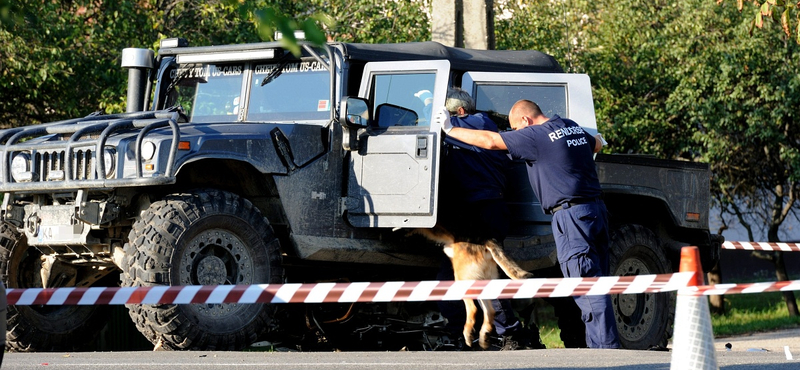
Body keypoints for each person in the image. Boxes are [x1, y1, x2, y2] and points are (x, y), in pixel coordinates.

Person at [436, 99, 621, 349]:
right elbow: (597, 143)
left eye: (515, 130)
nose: (515, 136)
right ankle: (604, 347)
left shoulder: (535, 134)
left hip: (571, 217)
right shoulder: (571, 126)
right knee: (598, 284)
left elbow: (490, 141)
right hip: (596, 210)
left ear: (526, 120)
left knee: (585, 286)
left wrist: (450, 129)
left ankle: (607, 354)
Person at [436, 88, 542, 350]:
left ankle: (510, 333)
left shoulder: (476, 124)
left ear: (460, 112)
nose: (445, 119)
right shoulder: (484, 127)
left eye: (449, 113)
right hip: (489, 209)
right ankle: (465, 332)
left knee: (481, 276)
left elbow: (440, 127)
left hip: (478, 212)